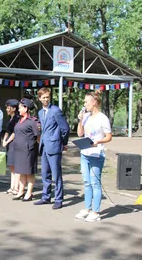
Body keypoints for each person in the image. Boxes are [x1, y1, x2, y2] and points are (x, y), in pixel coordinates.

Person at [76, 90, 112, 222]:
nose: (84, 104)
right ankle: (87, 208)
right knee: (86, 182)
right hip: (84, 153)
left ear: (94, 102)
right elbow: (80, 134)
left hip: (96, 154)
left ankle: (96, 211)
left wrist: (98, 141)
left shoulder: (103, 118)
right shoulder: (86, 116)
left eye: (86, 102)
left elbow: (108, 137)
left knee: (95, 182)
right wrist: (80, 120)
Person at [34, 87, 70, 210]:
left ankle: (59, 199)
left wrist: (63, 143)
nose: (46, 99)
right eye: (43, 97)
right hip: (44, 145)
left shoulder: (55, 111)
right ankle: (46, 196)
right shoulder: (40, 112)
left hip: (54, 145)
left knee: (56, 174)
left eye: (48, 97)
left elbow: (65, 128)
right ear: (39, 99)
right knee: (45, 174)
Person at [8, 98, 39, 201]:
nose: (19, 109)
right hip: (18, 150)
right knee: (21, 171)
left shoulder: (32, 121)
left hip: (28, 150)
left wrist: (32, 146)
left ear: (26, 108)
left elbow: (37, 136)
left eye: (20, 107)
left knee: (29, 172)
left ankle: (29, 193)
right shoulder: (19, 120)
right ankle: (21, 191)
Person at [2, 99, 21, 194]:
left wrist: (7, 141)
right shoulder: (9, 118)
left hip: (14, 143)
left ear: (14, 108)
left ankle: (16, 187)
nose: (6, 109)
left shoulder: (17, 118)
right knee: (11, 166)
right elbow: (7, 131)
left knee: (15, 166)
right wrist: (4, 140)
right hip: (9, 143)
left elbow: (14, 132)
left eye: (8, 107)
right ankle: (12, 186)